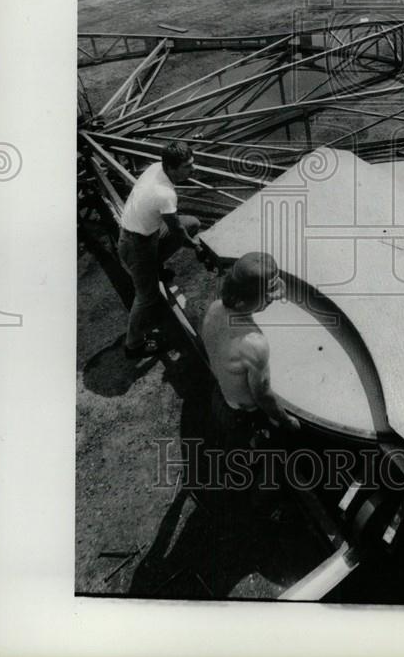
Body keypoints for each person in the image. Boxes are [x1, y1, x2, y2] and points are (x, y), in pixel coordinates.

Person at [201, 252, 300, 440]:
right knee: (262, 442)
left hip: (222, 391)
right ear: (248, 299)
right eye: (267, 297)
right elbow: (263, 396)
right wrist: (287, 420)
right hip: (243, 414)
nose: (270, 300)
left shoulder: (215, 307)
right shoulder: (254, 344)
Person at [118, 142, 201, 359]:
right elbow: (177, 231)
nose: (194, 169)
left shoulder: (157, 167)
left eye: (193, 163)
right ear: (172, 168)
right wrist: (196, 246)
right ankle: (133, 345)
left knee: (191, 222)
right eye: (187, 166)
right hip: (136, 244)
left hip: (144, 233)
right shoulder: (164, 193)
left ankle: (154, 266)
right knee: (147, 295)